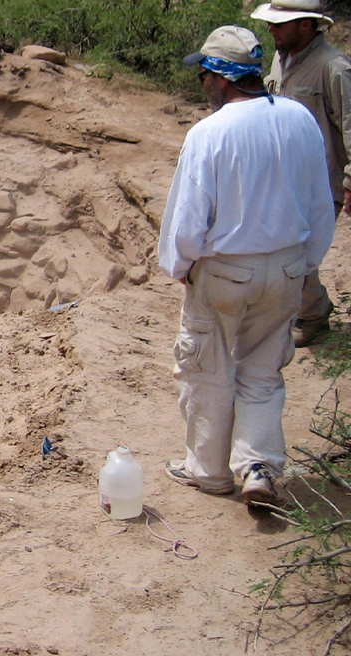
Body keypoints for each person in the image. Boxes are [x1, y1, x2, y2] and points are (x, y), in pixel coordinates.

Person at [159, 26, 335, 505]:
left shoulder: (209, 133)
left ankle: (210, 471)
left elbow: (189, 218)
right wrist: (305, 264)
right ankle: (258, 466)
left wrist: (182, 268)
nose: (201, 84)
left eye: (204, 75)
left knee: (206, 368)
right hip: (286, 268)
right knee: (261, 369)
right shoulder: (299, 119)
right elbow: (321, 202)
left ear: (220, 76)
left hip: (224, 270)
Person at [251, 0, 351, 347]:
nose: (272, 29)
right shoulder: (281, 60)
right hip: (282, 177)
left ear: (306, 25)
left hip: (321, 182)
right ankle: (302, 309)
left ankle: (312, 316)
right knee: (283, 249)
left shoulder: (334, 68)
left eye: (280, 24)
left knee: (302, 252)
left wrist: (350, 181)